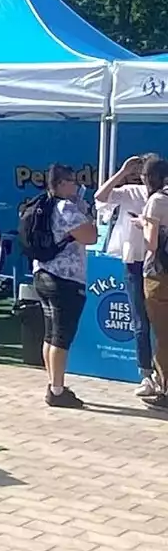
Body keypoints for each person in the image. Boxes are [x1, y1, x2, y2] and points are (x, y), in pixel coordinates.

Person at [31, 164, 97, 409]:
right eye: (71, 181)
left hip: (43, 273)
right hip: (64, 279)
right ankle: (57, 390)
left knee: (50, 333)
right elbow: (91, 236)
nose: (76, 185)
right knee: (61, 336)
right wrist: (86, 212)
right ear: (59, 184)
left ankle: (54, 383)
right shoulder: (66, 207)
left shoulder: (45, 206)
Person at [96, 154, 159, 397]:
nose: (146, 178)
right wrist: (122, 172)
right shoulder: (131, 191)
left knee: (159, 321)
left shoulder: (163, 197)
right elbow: (100, 197)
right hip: (134, 261)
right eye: (143, 173)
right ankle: (146, 375)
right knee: (140, 321)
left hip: (159, 263)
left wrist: (145, 223)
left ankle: (160, 374)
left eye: (149, 173)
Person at [137, 157, 168, 409]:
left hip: (159, 274)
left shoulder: (156, 201)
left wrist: (143, 224)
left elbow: (152, 243)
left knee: (163, 334)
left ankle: (165, 389)